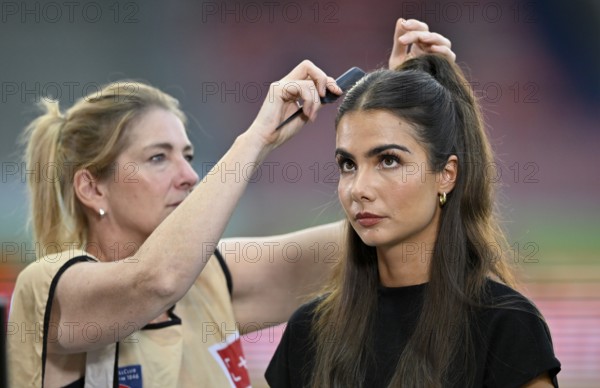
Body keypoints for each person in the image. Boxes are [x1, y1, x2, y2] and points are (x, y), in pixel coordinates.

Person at [7, 19, 455, 387]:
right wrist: (258, 138)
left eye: (187, 156)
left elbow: (393, 235)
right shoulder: (48, 289)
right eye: (158, 158)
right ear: (92, 189)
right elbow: (154, 281)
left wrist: (405, 111)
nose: (187, 176)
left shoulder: (213, 277)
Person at [265, 55, 561, 387]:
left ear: (446, 175)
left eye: (388, 160)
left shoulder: (506, 325)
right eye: (348, 164)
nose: (359, 189)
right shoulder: (308, 332)